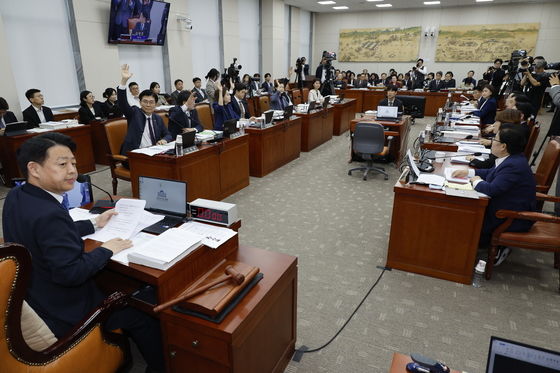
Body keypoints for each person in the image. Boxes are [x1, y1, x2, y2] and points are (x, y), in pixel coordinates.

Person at [2, 132, 165, 371]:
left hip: (35, 292)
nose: (72, 171)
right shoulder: (49, 214)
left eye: (73, 163)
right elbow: (71, 273)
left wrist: (93, 223)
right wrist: (107, 249)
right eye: (62, 164)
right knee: (144, 310)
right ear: (34, 169)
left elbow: (45, 234)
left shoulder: (18, 195)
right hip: (64, 309)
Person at [452, 126, 536, 265]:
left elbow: (492, 189)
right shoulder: (511, 159)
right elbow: (491, 173)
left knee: (465, 218)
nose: (491, 141)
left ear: (503, 146)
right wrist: (468, 173)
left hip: (511, 217)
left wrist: (476, 181)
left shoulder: (513, 165)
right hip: (505, 207)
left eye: (494, 139)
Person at [117, 64, 172, 156]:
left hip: (154, 153)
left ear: (155, 104)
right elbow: (123, 104)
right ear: (140, 102)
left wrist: (164, 139)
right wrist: (123, 81)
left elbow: (168, 134)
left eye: (151, 102)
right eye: (145, 101)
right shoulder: (134, 113)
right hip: (135, 155)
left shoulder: (157, 118)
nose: (148, 105)